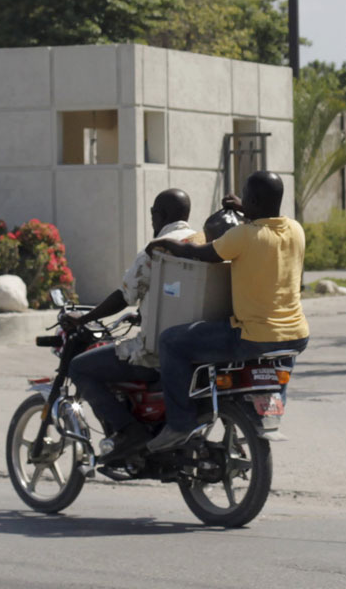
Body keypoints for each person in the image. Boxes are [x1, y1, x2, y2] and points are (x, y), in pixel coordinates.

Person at [143, 171, 309, 453]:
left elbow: (203, 254)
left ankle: (180, 423)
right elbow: (264, 219)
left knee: (171, 340)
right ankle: (268, 414)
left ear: (253, 200)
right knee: (275, 369)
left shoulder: (243, 235)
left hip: (253, 335)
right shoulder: (296, 229)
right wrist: (245, 207)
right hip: (295, 337)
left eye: (246, 196)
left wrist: (166, 244)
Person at [64, 188, 201, 462]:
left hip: (155, 354)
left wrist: (85, 318)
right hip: (196, 347)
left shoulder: (158, 247)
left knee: (79, 366)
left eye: (153, 216)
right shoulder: (202, 242)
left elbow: (124, 296)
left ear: (157, 215)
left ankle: (128, 431)